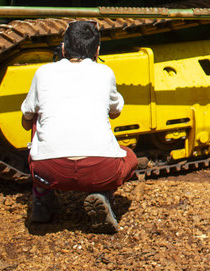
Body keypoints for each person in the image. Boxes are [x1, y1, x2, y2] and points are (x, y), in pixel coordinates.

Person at [21, 20, 138, 232]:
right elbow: (116, 111)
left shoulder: (42, 73)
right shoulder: (105, 72)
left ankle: (41, 203)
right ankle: (103, 195)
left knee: (37, 119)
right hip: (101, 169)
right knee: (129, 157)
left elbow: (25, 118)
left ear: (64, 48)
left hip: (48, 171)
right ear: (97, 51)